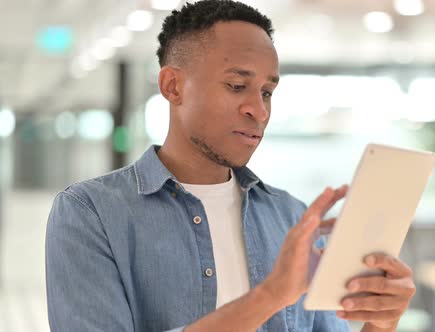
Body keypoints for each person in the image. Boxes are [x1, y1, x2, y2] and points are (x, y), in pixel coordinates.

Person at [45, 1, 416, 331]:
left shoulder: (292, 218)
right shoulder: (90, 214)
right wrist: (270, 295)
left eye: (267, 92)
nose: (259, 109)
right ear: (173, 86)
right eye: (237, 86)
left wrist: (381, 324)